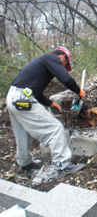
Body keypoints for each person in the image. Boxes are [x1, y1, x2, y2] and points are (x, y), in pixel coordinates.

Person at [6, 46, 86, 178]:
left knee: (22, 133)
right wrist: (79, 91)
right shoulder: (52, 58)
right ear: (62, 57)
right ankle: (62, 164)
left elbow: (34, 91)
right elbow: (66, 79)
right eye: (65, 64)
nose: (63, 67)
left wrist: (51, 103)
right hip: (22, 99)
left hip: (13, 97)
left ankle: (25, 163)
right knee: (55, 129)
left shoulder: (41, 64)